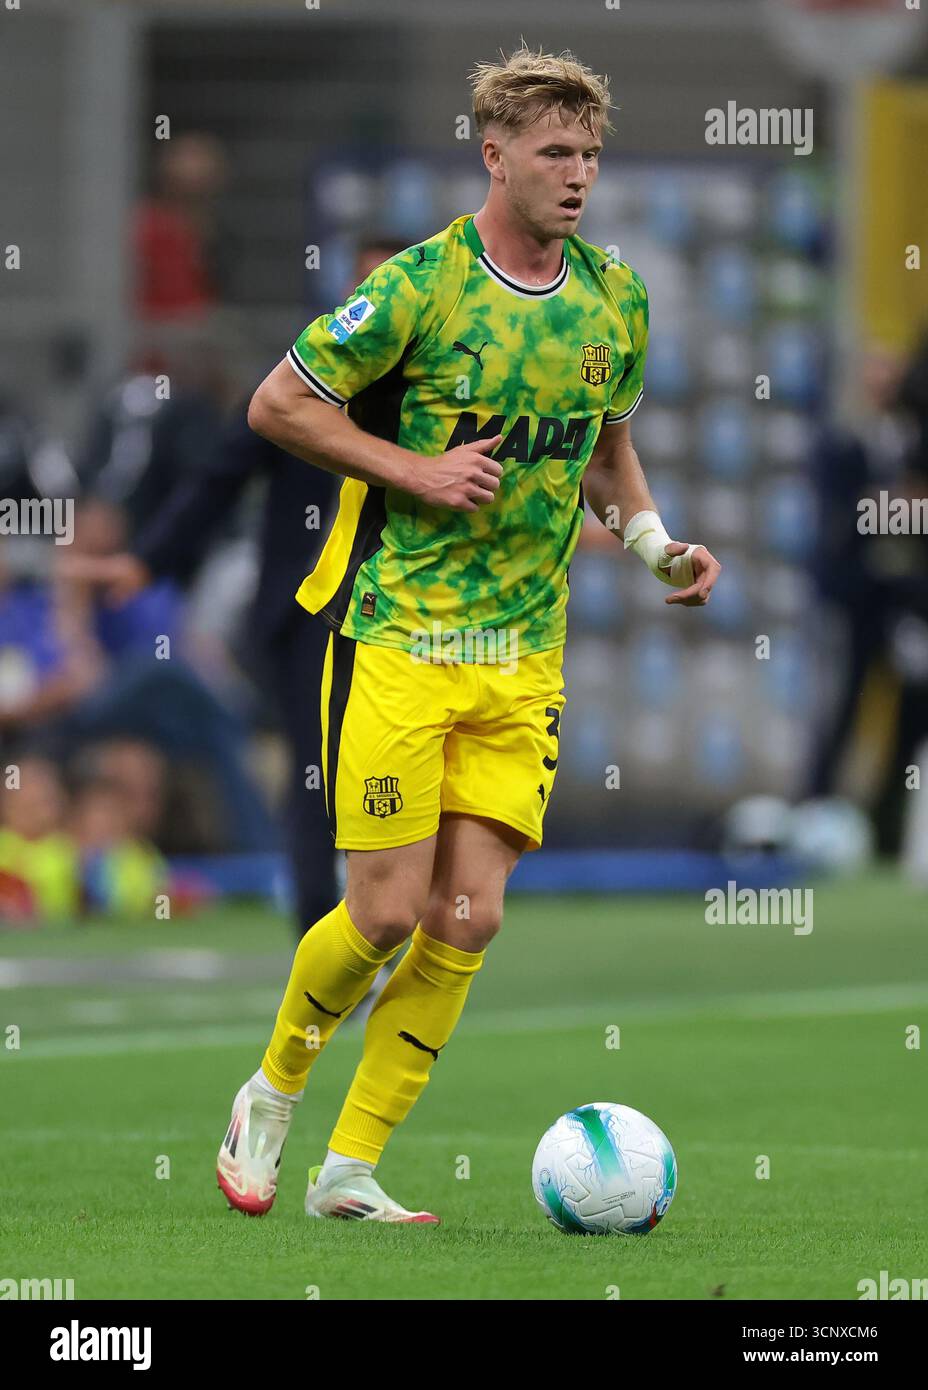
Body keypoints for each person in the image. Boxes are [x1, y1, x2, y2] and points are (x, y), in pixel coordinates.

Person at [216, 44, 721, 1223]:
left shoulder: (615, 298)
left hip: (520, 653)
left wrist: (656, 547)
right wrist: (417, 470)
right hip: (402, 635)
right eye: (555, 151)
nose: (577, 174)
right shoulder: (420, 285)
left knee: (468, 915)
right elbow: (278, 403)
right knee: (384, 912)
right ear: (493, 155)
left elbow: (607, 456)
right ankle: (271, 1087)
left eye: (589, 153)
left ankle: (350, 1167)